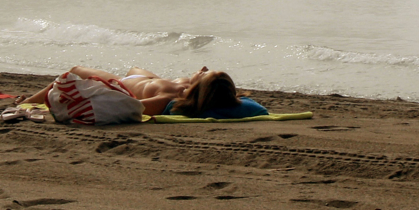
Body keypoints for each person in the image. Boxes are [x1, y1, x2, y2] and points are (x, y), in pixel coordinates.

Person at [21, 65, 266, 118]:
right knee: (136, 66)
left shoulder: (170, 98)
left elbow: (137, 109)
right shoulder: (186, 88)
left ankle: (26, 101)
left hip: (128, 84)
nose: (202, 69)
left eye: (204, 74)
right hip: (148, 78)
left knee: (75, 69)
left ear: (201, 88)